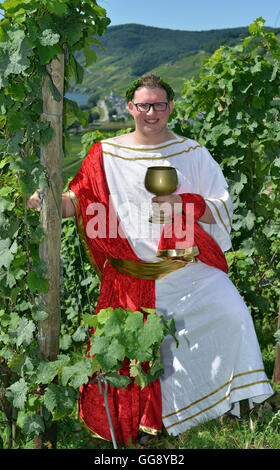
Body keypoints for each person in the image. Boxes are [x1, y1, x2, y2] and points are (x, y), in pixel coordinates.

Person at [28, 73, 273, 446]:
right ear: (131, 108)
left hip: (185, 269)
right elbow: (76, 202)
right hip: (133, 275)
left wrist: (184, 203)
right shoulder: (106, 154)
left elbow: (222, 205)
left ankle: (237, 398)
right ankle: (170, 413)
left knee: (231, 311)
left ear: (170, 107)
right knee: (139, 348)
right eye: (144, 105)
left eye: (159, 104)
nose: (152, 112)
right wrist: (44, 201)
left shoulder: (193, 153)